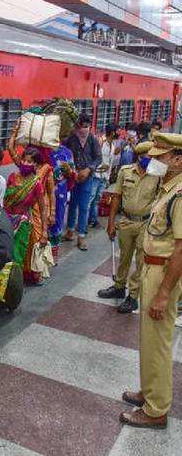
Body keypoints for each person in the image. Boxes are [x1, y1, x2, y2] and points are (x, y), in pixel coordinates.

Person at [120, 132, 182, 429]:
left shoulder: (181, 194)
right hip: (152, 269)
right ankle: (149, 392)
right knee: (148, 339)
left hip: (163, 274)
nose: (154, 160)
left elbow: (181, 249)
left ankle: (156, 410)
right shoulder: (168, 187)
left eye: (161, 156)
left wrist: (163, 294)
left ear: (178, 160)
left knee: (157, 342)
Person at [98, 141, 159, 314]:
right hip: (126, 221)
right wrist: (111, 223)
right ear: (138, 157)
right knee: (124, 256)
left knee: (141, 261)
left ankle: (132, 297)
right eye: (143, 156)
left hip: (146, 223)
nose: (146, 159)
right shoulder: (125, 172)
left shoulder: (159, 174)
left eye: (149, 156)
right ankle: (118, 286)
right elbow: (116, 197)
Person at [8, 125, 54, 285]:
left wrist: (50, 218)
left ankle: (32, 273)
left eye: (30, 161)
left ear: (36, 164)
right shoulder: (14, 176)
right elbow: (11, 149)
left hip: (31, 213)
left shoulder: (45, 171)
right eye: (24, 160)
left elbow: (50, 195)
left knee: (31, 244)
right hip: (13, 216)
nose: (26, 163)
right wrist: (14, 132)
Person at [63, 115, 102, 250]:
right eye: (81, 126)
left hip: (87, 177)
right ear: (76, 126)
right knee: (72, 204)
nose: (84, 129)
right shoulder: (71, 139)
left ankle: (81, 236)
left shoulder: (93, 140)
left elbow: (98, 158)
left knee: (84, 207)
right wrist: (72, 170)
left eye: (86, 126)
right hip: (74, 176)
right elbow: (65, 155)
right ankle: (70, 231)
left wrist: (88, 169)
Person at [89, 123, 121, 229]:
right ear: (112, 133)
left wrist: (107, 178)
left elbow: (110, 162)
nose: (119, 133)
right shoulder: (100, 142)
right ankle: (86, 221)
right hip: (96, 175)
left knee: (97, 198)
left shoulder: (112, 145)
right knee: (91, 198)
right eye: (117, 131)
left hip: (103, 177)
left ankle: (92, 220)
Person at [48, 145, 76, 261]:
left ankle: (53, 254)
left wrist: (68, 171)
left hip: (59, 193)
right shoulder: (37, 149)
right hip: (40, 192)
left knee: (57, 220)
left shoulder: (66, 152)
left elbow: (72, 174)